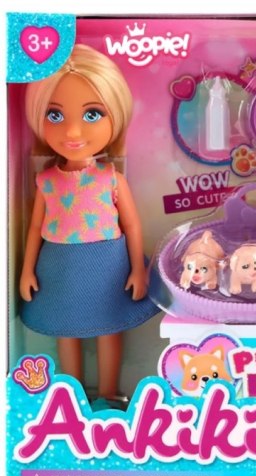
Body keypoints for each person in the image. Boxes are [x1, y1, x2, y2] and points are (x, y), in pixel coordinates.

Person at [20, 44, 159, 411]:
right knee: (66, 330)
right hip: (60, 266)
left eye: (92, 114)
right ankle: (73, 394)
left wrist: (138, 270)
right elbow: (34, 229)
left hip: (107, 264)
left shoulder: (110, 178)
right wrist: (26, 271)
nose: (73, 130)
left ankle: (109, 394)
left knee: (109, 328)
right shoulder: (47, 181)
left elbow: (131, 225)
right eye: (54, 115)